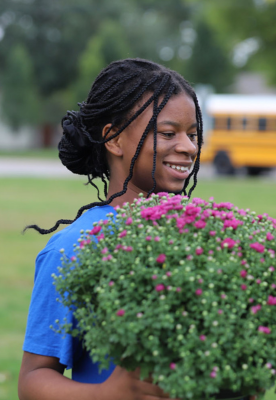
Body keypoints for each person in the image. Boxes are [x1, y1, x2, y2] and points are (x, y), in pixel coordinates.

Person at [18, 58, 257, 400]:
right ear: (113, 139)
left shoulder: (207, 238)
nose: (189, 147)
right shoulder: (73, 248)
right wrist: (108, 394)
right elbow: (32, 380)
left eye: (193, 135)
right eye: (168, 133)